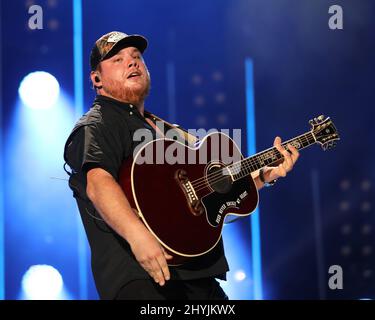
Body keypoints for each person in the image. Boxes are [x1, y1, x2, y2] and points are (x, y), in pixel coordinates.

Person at [63, 31, 300, 300]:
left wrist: (265, 175)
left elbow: (211, 193)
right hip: (141, 278)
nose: (132, 62)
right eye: (117, 60)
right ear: (96, 79)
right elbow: (98, 184)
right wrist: (139, 237)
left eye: (137, 56)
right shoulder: (98, 124)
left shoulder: (168, 131)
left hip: (196, 275)